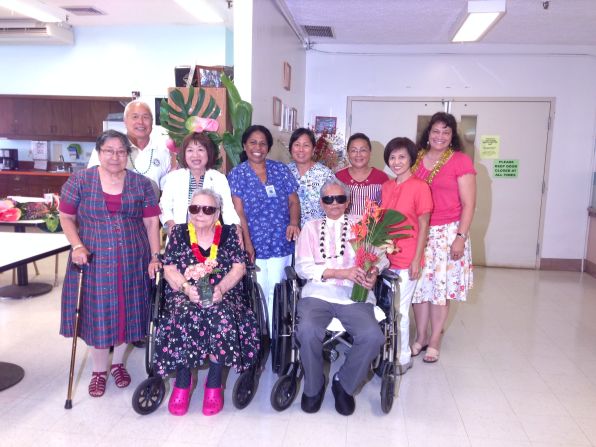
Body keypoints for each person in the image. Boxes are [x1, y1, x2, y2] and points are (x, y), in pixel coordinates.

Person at [59, 129, 161, 398]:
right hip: (93, 258)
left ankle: (118, 365)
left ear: (128, 154)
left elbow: (151, 223)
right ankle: (98, 370)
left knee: (128, 312)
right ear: (99, 152)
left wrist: (154, 256)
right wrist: (77, 245)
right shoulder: (80, 180)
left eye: (121, 151)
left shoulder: (141, 183)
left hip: (132, 258)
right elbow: (66, 217)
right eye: (109, 151)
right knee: (98, 314)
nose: (115, 156)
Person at [153, 188, 260, 416]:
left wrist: (220, 288)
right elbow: (169, 268)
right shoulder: (179, 233)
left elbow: (239, 267)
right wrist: (185, 288)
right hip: (184, 293)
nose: (200, 213)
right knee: (183, 315)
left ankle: (214, 383)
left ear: (217, 213)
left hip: (225, 293)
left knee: (220, 316)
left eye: (208, 209)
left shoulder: (230, 234)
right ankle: (183, 382)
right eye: (194, 208)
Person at [295, 178, 384, 416]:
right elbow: (302, 267)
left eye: (340, 198)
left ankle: (343, 384)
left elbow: (381, 256)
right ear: (322, 203)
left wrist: (374, 271)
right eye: (328, 199)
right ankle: (313, 387)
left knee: (372, 336)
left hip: (354, 295)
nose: (334, 203)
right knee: (307, 331)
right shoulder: (311, 227)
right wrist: (338, 272)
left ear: (347, 202)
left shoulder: (362, 226)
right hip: (318, 294)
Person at [411, 112, 476, 363]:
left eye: (446, 132)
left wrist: (460, 236)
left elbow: (469, 204)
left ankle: (435, 338)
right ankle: (420, 337)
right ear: (428, 133)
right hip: (419, 232)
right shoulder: (415, 159)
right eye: (436, 131)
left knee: (440, 288)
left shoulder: (460, 161)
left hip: (448, 233)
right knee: (419, 288)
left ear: (452, 137)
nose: (440, 136)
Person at [228, 125, 300, 329]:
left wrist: (294, 222)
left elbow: (294, 201)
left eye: (262, 143)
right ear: (244, 145)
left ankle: (276, 337)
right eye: (252, 142)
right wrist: (247, 244)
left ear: (268, 147)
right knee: (259, 291)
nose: (257, 147)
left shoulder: (280, 169)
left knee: (277, 290)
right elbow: (238, 213)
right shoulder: (237, 174)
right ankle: (261, 337)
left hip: (281, 242)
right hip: (254, 243)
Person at [381, 137, 432, 374]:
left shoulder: (421, 187)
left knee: (399, 310)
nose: (397, 161)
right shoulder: (387, 186)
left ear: (411, 158)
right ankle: (387, 351)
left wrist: (416, 260)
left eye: (402, 156)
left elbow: (423, 226)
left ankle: (402, 358)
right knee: (387, 307)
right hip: (385, 258)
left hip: (407, 257)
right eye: (392, 157)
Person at [88, 100, 171, 199]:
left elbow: (167, 191)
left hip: (152, 211)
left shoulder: (163, 152)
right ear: (125, 121)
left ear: (152, 121)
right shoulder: (106, 148)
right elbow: (92, 181)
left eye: (145, 117)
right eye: (135, 117)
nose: (140, 122)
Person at [160, 132, 240, 233]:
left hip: (210, 238)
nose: (195, 155)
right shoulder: (174, 178)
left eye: (201, 150)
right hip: (179, 236)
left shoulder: (218, 178)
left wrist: (236, 229)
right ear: (184, 154)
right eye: (190, 150)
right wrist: (173, 227)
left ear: (208, 153)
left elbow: (228, 209)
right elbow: (164, 207)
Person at [287, 127, 334, 226]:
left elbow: (335, 206)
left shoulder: (325, 174)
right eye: (297, 145)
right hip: (288, 233)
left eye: (306, 145)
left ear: (313, 149)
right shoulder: (284, 172)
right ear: (290, 148)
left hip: (317, 233)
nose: (301, 150)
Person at [335, 132, 388, 216]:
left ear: (370, 152)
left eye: (363, 150)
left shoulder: (381, 177)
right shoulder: (338, 177)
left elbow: (386, 208)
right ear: (348, 153)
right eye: (353, 150)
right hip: (344, 227)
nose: (358, 154)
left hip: (373, 228)